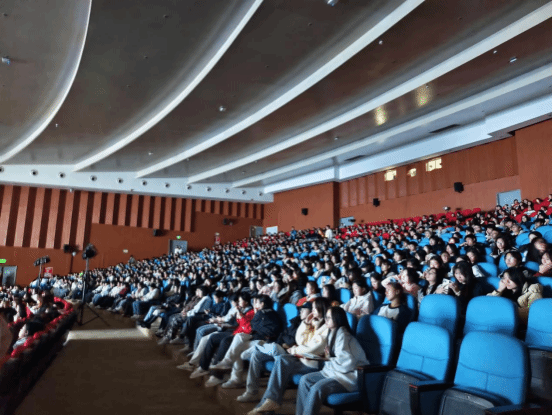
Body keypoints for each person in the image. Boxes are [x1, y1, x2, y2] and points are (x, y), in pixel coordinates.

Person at [238, 299, 329, 406]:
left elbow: (309, 346)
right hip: (291, 351)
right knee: (257, 355)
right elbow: (295, 338)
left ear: (321, 309)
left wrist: (292, 347)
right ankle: (251, 391)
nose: (301, 311)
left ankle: (269, 402)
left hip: (299, 355)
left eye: (311, 309)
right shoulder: (305, 322)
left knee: (275, 349)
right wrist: (304, 324)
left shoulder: (324, 327)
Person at [294, 307, 369, 415]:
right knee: (304, 380)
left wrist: (328, 359)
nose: (326, 320)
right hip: (334, 372)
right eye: (326, 317)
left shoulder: (343, 335)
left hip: (347, 377)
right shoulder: (333, 332)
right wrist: (328, 356)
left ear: (337, 319)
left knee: (317, 388)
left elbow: (347, 364)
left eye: (329, 318)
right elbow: (336, 357)